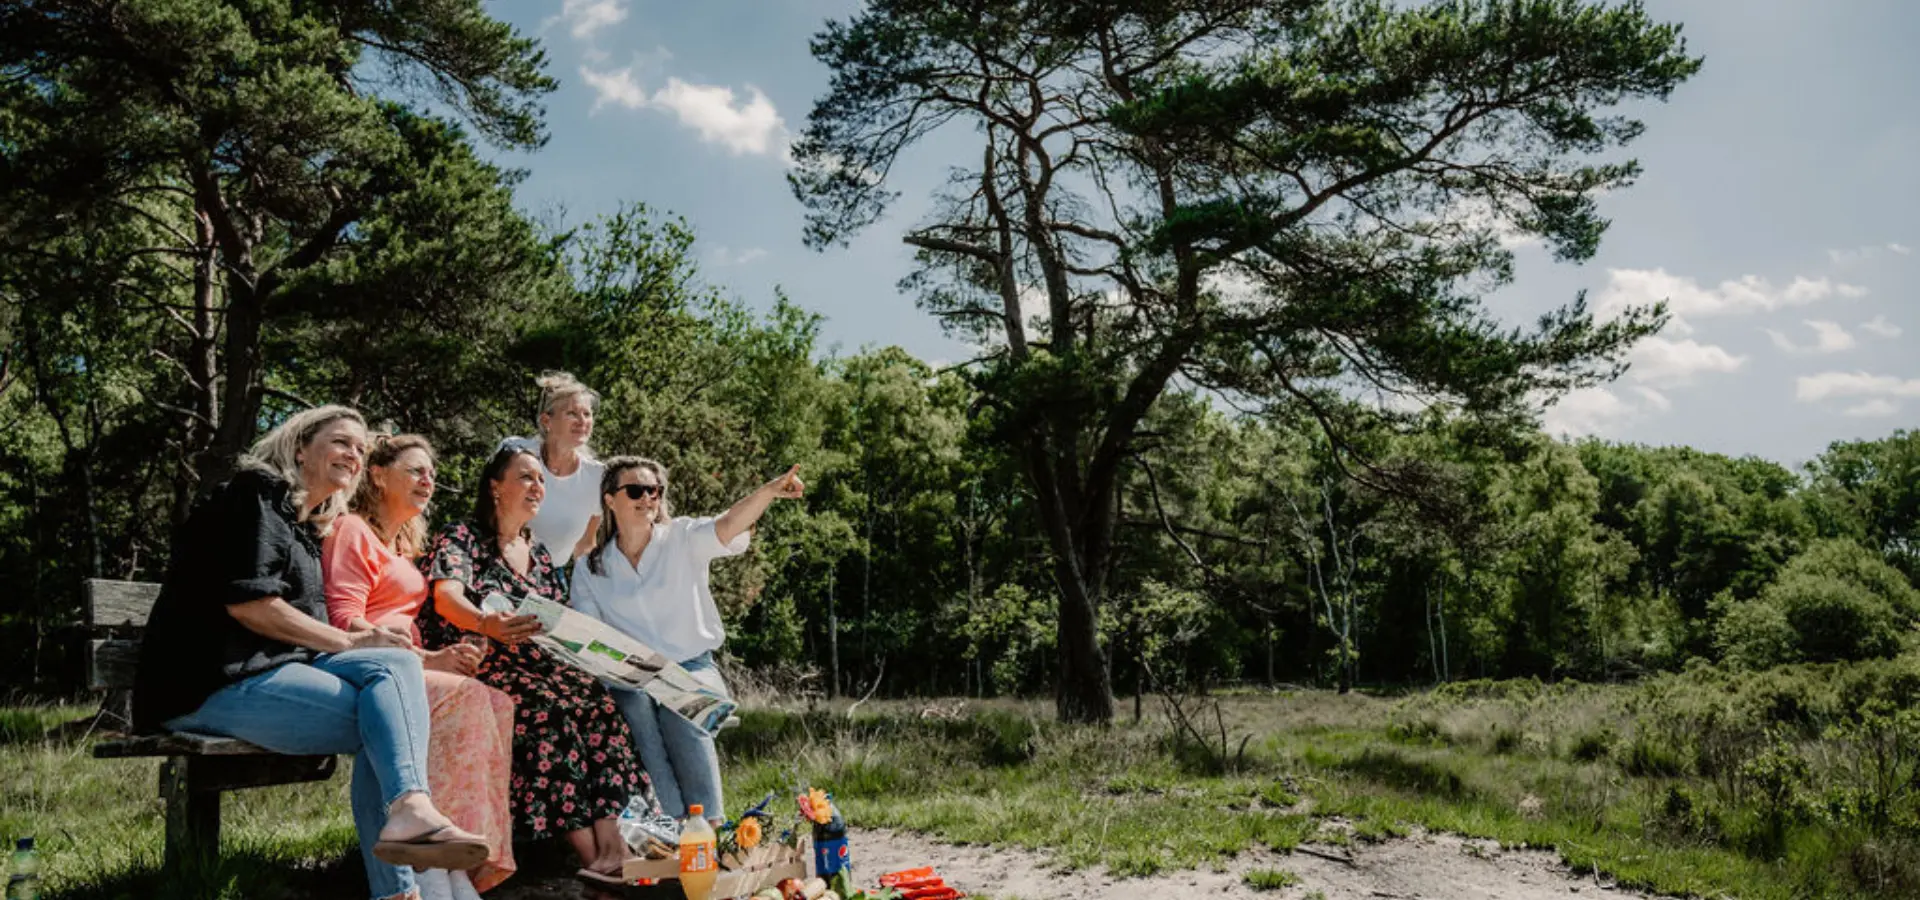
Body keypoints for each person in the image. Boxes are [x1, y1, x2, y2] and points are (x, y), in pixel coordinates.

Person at [132, 406, 489, 900]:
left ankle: (408, 826)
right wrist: (350, 641)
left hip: (268, 673)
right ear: (300, 447)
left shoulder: (305, 526)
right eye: (342, 441)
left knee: (397, 670)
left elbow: (310, 628)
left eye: (361, 449)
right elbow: (253, 607)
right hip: (209, 684)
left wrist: (395, 649)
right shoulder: (255, 496)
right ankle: (400, 882)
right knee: (383, 723)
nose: (354, 455)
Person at [415, 444, 649, 884]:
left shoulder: (538, 552)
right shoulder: (461, 536)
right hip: (482, 658)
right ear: (496, 488)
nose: (537, 486)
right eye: (525, 477)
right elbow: (446, 599)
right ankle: (590, 856)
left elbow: (556, 620)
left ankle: (613, 844)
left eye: (541, 479)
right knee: (551, 715)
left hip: (539, 662)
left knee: (599, 705)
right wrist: (488, 623)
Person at [324, 434, 517, 899]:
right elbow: (346, 619)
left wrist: (442, 656)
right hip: (362, 667)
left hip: (405, 665)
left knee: (497, 701)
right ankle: (428, 866)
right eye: (415, 470)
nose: (427, 479)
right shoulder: (352, 530)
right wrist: (429, 660)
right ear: (377, 475)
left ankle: (458, 865)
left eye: (431, 472)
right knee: (465, 698)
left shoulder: (402, 546)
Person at [571, 458, 805, 823]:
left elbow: (728, 525)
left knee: (684, 706)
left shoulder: (682, 538)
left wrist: (769, 492)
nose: (647, 498)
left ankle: (709, 825)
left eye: (654, 491)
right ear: (609, 500)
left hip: (693, 665)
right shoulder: (591, 567)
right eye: (635, 490)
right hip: (630, 675)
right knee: (634, 708)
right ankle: (674, 824)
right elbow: (589, 634)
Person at [499, 371, 604, 564]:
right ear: (546, 421)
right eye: (572, 413)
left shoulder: (597, 477)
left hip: (550, 579)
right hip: (498, 562)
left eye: (587, 414)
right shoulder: (514, 452)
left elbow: (586, 544)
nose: (582, 422)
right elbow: (487, 508)